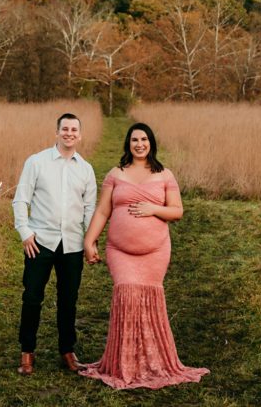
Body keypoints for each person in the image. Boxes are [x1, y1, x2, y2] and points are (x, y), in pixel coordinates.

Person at [80, 122, 209, 390]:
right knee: (126, 294)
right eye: (134, 139)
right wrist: (89, 241)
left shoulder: (164, 175)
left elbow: (177, 211)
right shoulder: (116, 173)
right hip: (120, 251)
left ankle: (152, 361)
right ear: (128, 143)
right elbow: (103, 211)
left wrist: (153, 208)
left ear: (151, 143)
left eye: (144, 139)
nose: (139, 144)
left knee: (149, 300)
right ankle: (124, 364)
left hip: (155, 251)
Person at [12, 112, 97, 376]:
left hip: (72, 244)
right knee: (32, 297)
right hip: (40, 242)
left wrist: (89, 240)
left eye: (74, 129)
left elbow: (90, 208)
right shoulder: (36, 162)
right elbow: (20, 199)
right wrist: (25, 232)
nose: (69, 133)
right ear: (57, 132)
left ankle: (67, 351)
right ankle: (27, 352)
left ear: (79, 135)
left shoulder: (86, 169)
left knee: (68, 300)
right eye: (65, 129)